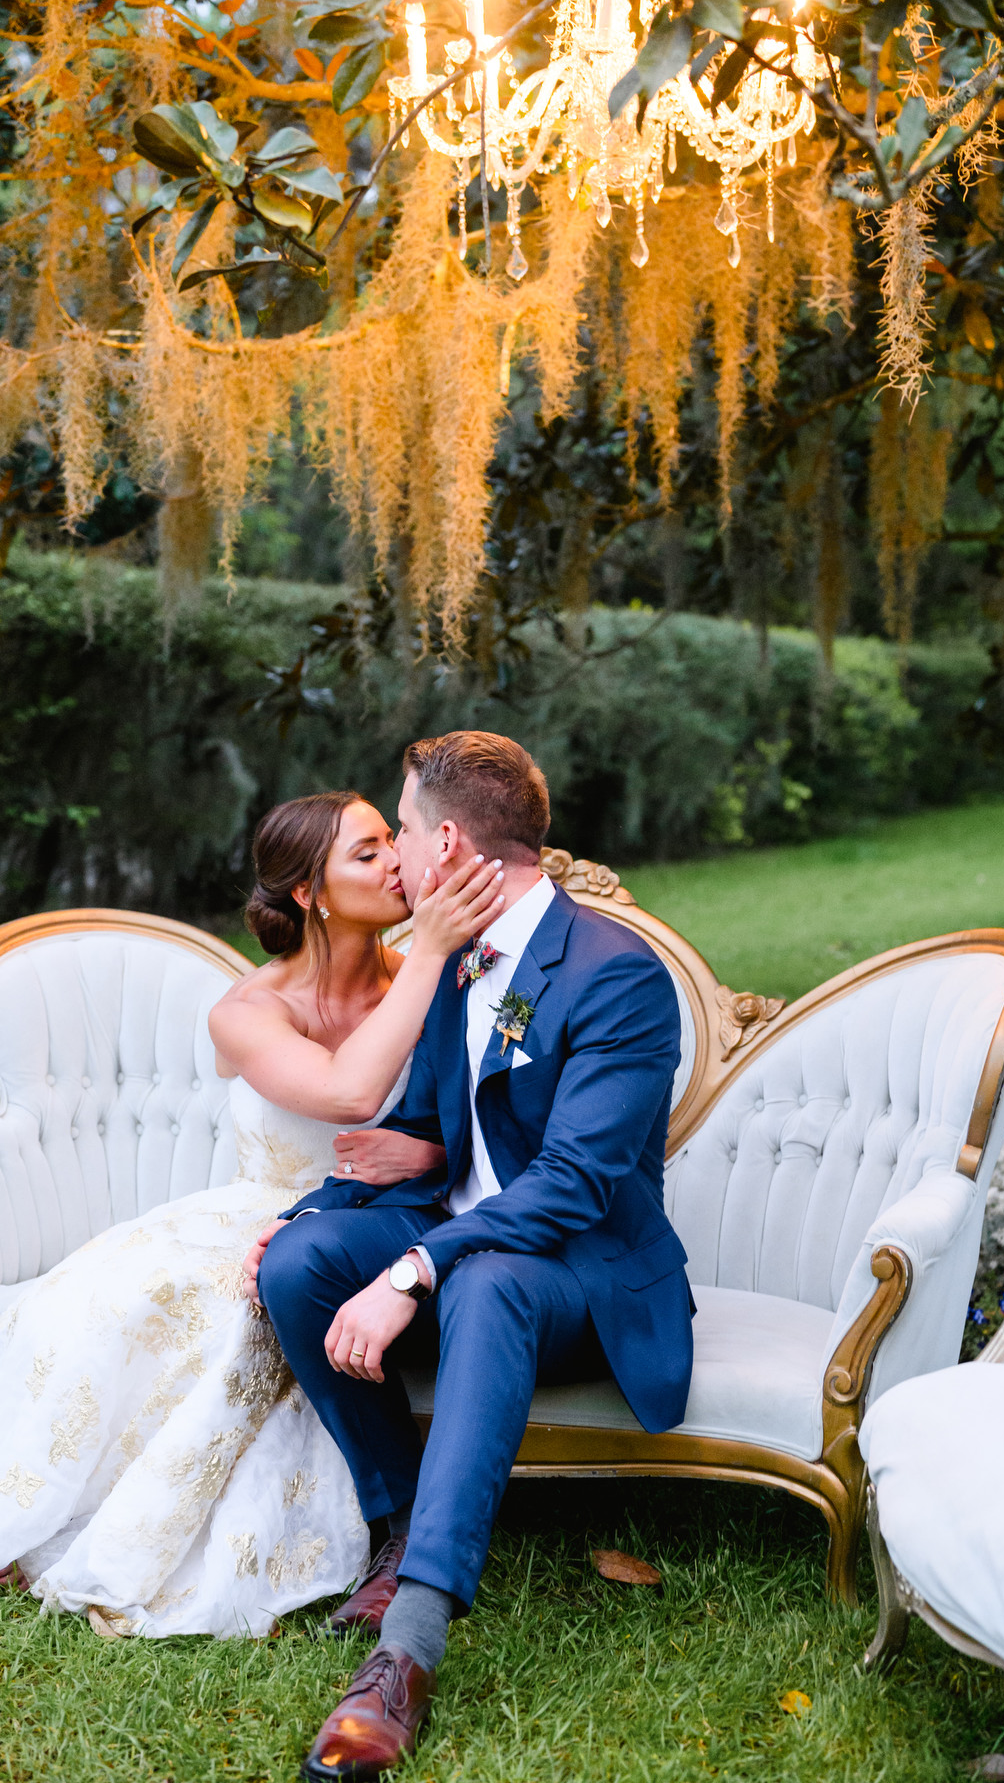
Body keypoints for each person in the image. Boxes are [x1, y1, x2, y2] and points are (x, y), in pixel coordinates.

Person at [0, 791, 503, 1637]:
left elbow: (491, 1116)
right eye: (367, 854)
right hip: (257, 1214)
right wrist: (433, 947)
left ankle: (391, 1531)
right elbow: (348, 1092)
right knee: (120, 1305)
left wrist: (434, 1153)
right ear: (310, 893)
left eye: (388, 842)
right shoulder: (247, 1011)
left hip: (392, 1222)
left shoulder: (436, 978)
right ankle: (69, 1511)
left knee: (263, 1294)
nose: (397, 863)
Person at [252, 731, 694, 1782]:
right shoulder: (453, 963)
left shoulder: (616, 977)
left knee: (486, 1276)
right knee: (298, 1266)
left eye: (401, 830)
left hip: (579, 1272)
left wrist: (413, 1271)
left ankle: (405, 1649)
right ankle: (400, 1516)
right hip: (465, 1233)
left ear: (447, 842)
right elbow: (423, 1133)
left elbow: (574, 1186)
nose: (397, 853)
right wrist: (315, 1213)